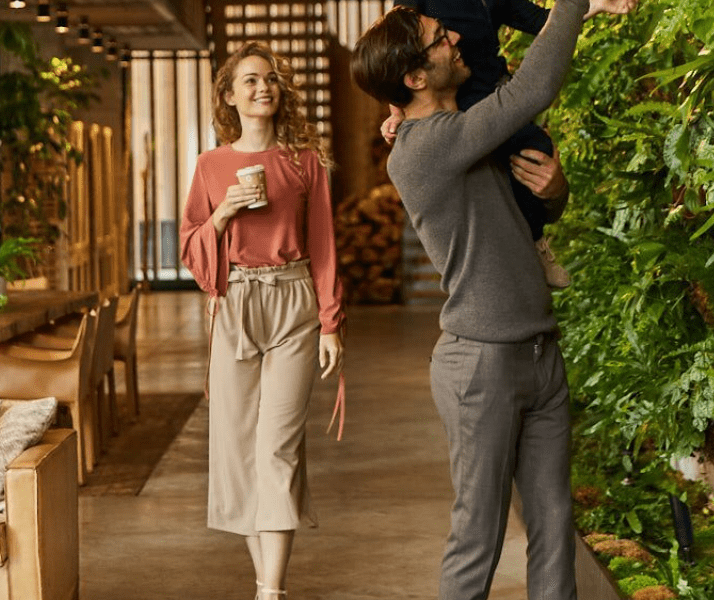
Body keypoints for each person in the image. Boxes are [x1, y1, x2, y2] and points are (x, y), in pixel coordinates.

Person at [351, 0, 592, 598]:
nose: (455, 37)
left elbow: (511, 224)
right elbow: (532, 88)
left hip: (539, 352)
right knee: (478, 537)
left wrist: (554, 194)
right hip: (480, 365)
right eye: (439, 39)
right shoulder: (423, 147)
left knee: (555, 524)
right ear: (414, 77)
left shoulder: (472, 134)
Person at [179, 41, 345, 600]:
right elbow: (191, 246)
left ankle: (270, 593)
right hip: (234, 306)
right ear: (229, 96)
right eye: (250, 80)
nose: (263, 87)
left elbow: (324, 243)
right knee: (237, 450)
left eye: (271, 78)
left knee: (277, 447)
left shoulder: (304, 161)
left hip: (293, 301)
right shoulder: (210, 165)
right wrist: (224, 210)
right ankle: (265, 585)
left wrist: (330, 322)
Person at [383, 0, 637, 288]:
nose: (453, 38)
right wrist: (398, 112)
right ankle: (506, 264)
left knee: (535, 147)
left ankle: (534, 241)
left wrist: (597, 5)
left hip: (495, 94)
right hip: (457, 104)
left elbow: (544, 21)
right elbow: (395, 46)